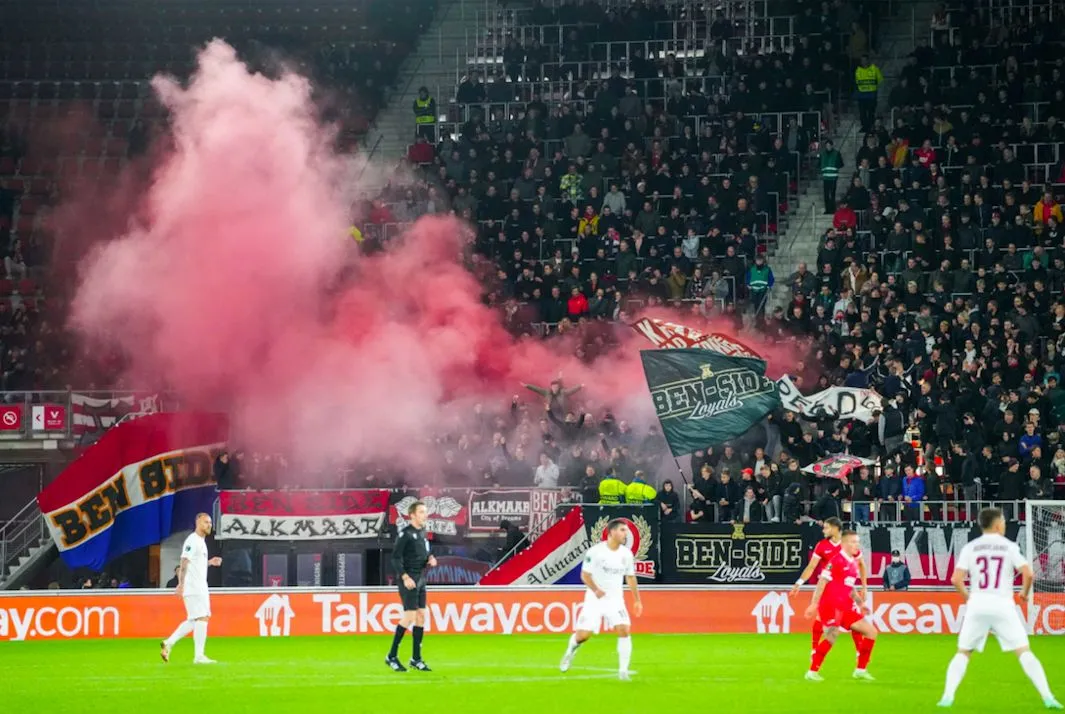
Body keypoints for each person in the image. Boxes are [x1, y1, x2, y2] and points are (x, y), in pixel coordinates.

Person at [938, 508, 1062, 709]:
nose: (1004, 524)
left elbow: (955, 579)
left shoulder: (971, 547)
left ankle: (947, 697)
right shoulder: (1008, 547)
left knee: (963, 652)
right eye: (1003, 521)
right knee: (1023, 651)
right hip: (1002, 604)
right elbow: (1028, 574)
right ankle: (1048, 697)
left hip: (978, 604)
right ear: (997, 525)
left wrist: (970, 599)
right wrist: (1023, 593)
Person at [559, 519, 644, 680]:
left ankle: (623, 671)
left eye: (626, 530)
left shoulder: (626, 554)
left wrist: (637, 600)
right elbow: (585, 575)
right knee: (583, 635)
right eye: (622, 530)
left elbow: (630, 577)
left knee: (624, 630)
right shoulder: (595, 552)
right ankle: (571, 650)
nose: (625, 534)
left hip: (615, 600)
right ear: (611, 532)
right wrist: (596, 590)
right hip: (594, 599)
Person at [804, 530, 880, 681]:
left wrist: (860, 604)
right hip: (830, 605)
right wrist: (814, 604)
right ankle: (812, 672)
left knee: (871, 632)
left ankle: (860, 670)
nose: (856, 545)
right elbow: (822, 581)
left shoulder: (852, 563)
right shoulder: (836, 560)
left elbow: (849, 587)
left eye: (857, 542)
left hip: (844, 607)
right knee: (832, 636)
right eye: (853, 542)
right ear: (844, 544)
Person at [791, 517, 868, 656]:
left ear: (835, 528)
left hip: (846, 589)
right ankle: (814, 649)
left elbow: (861, 564)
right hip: (827, 588)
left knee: (854, 619)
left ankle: (859, 651)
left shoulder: (848, 544)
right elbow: (811, 566)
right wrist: (799, 583)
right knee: (820, 617)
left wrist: (864, 586)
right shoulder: (821, 545)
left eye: (826, 527)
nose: (823, 530)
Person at [160, 513, 223, 664]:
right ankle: (199, 656)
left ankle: (169, 643)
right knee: (202, 618)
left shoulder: (201, 541)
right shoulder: (192, 540)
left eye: (210, 522)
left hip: (199, 586)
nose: (209, 525)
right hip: (194, 587)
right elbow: (184, 561)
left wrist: (209, 562)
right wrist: (181, 584)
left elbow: (195, 563)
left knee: (196, 619)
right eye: (205, 522)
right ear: (198, 522)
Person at [386, 501, 438, 672]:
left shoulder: (422, 533)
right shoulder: (405, 534)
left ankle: (416, 658)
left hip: (421, 578)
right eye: (422, 512)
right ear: (413, 515)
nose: (425, 515)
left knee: (421, 616)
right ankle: (391, 656)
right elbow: (395, 558)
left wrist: (430, 558)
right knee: (409, 616)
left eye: (425, 511)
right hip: (408, 580)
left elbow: (424, 552)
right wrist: (405, 576)